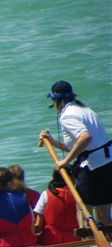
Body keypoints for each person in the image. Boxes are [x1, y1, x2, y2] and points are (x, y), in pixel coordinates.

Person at [39, 80, 112, 225]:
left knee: (82, 207)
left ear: (58, 101)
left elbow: (85, 137)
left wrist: (65, 161)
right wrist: (52, 141)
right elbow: (76, 146)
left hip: (94, 166)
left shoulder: (67, 115)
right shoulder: (85, 109)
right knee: (103, 209)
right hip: (108, 160)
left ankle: (87, 237)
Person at [33, 170, 80, 245]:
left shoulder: (45, 194)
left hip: (50, 239)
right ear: (70, 179)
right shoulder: (78, 196)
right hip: (74, 239)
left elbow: (38, 226)